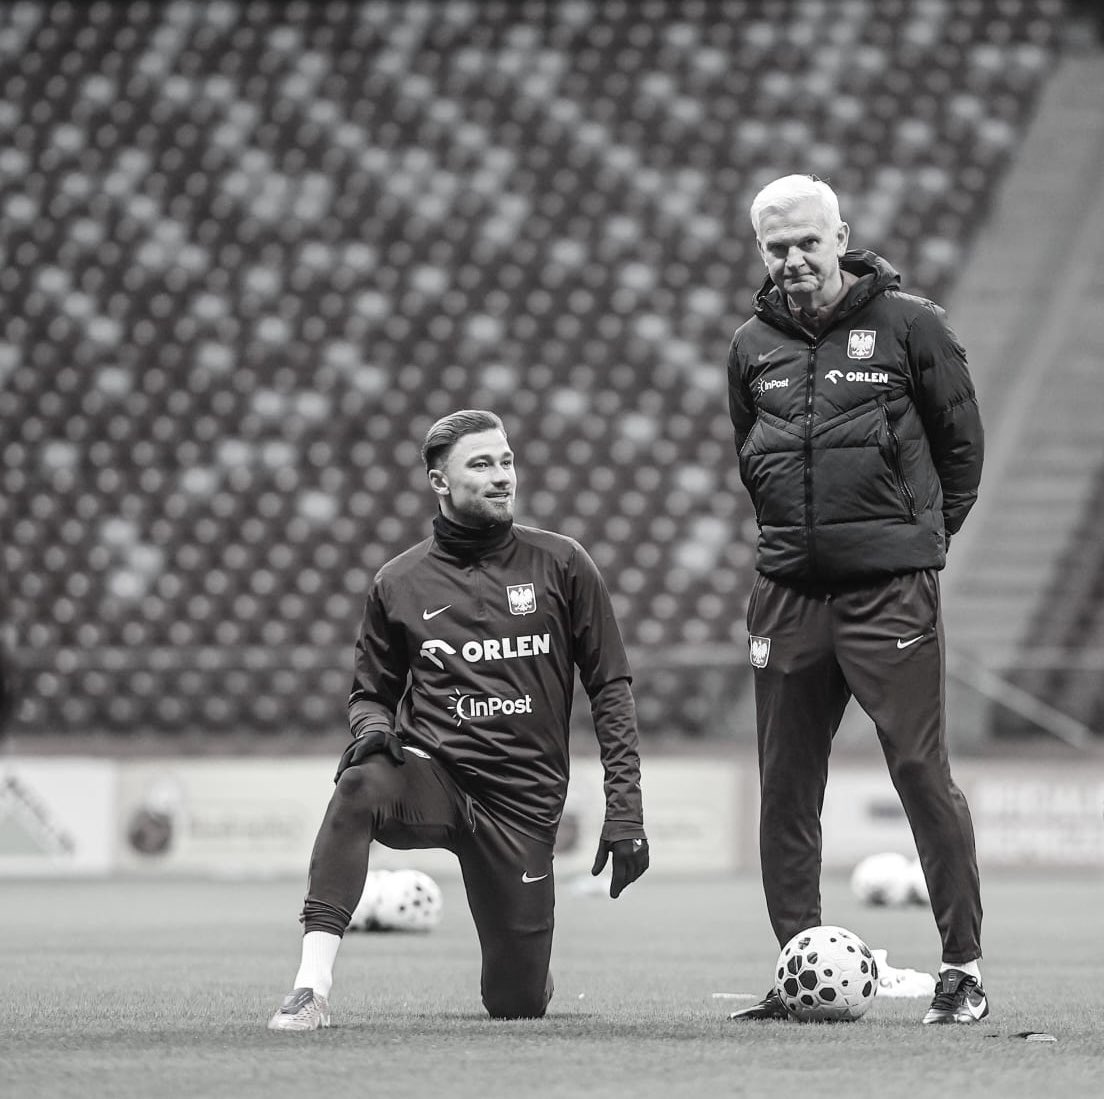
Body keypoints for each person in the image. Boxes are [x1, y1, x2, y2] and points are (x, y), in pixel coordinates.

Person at [268, 409, 649, 1030]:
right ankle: (310, 988)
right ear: (439, 481)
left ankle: (527, 959)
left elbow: (611, 687)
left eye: (507, 461)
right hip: (434, 775)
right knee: (359, 784)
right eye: (482, 464)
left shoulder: (563, 563)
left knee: (516, 1003)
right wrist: (373, 731)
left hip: (522, 804)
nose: (502, 476)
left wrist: (625, 809)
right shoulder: (398, 582)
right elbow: (370, 695)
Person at [724, 175, 986, 1025]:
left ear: (841, 237)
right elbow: (752, 452)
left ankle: (962, 969)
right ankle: (798, 967)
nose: (794, 259)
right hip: (787, 593)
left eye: (808, 241)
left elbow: (961, 449)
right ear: (761, 251)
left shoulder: (912, 325)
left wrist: (916, 541)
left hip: (889, 593)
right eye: (777, 247)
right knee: (784, 786)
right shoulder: (750, 344)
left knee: (919, 770)